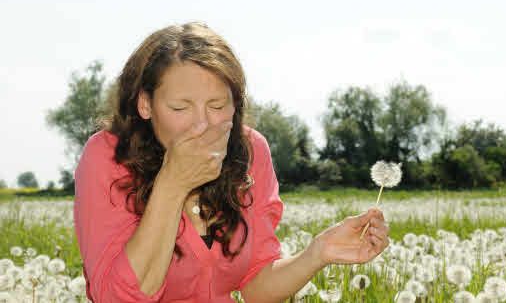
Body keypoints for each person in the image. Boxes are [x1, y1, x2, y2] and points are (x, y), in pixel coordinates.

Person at [73, 22, 390, 303]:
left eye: (217, 105)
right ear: (145, 104)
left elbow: (256, 287)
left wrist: (318, 253)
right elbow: (118, 297)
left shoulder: (251, 152)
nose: (202, 125)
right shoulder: (108, 157)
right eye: (180, 108)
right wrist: (172, 185)